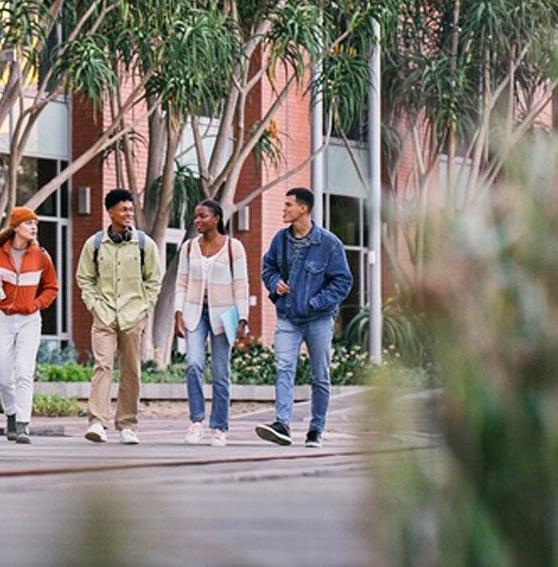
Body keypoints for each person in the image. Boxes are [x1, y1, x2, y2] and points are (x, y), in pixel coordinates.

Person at [256, 188, 352, 447]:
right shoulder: (280, 239)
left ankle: (316, 429)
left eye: (288, 205)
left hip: (318, 318)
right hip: (287, 316)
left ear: (303, 209)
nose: (284, 209)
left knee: (320, 375)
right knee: (283, 368)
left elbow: (343, 281)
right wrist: (275, 283)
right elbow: (268, 268)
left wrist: (315, 302)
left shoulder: (329, 243)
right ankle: (282, 424)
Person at [76, 189, 162, 445]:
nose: (129, 214)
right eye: (124, 209)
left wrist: (144, 309)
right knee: (102, 366)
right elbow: (84, 278)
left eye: (131, 210)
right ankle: (97, 422)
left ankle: (127, 425)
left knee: (131, 370)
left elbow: (154, 280)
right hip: (104, 315)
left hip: (133, 316)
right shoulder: (94, 244)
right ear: (110, 211)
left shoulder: (145, 244)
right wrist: (94, 305)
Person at [0, 206, 59, 445]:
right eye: (29, 223)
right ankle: (11, 414)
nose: (34, 227)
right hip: (1, 317)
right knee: (3, 375)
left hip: (29, 320)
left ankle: (23, 424)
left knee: (24, 371)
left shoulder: (41, 256)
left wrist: (36, 304)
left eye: (35, 224)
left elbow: (52, 288)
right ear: (16, 226)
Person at [174, 200, 249, 447]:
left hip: (224, 314)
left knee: (220, 372)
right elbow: (181, 282)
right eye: (196, 216)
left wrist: (243, 317)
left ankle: (219, 427)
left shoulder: (233, 247)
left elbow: (241, 284)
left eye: (202, 216)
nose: (197, 221)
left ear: (216, 218)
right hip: (194, 312)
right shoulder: (188, 247)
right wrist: (178, 312)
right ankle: (196, 421)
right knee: (193, 364)